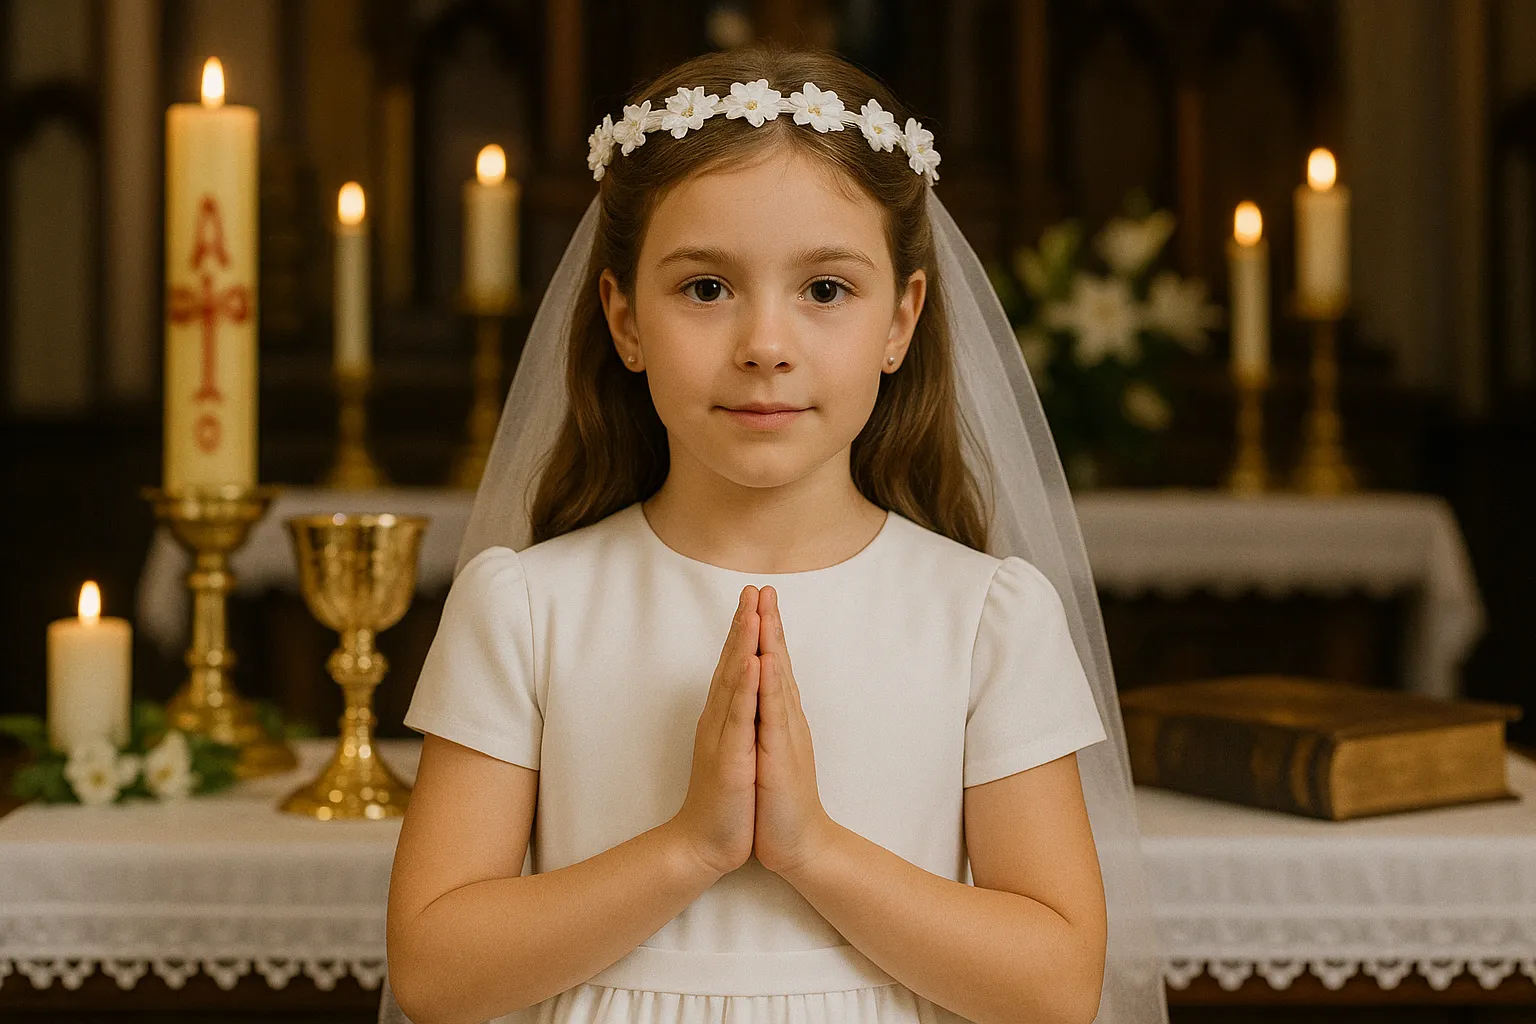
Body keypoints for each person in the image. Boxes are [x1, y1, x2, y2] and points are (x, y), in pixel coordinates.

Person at [382, 43, 1167, 1024]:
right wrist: (691, 845)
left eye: (825, 290)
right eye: (705, 288)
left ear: (902, 318)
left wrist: (809, 847)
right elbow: (433, 970)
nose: (764, 344)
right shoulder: (528, 605)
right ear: (622, 316)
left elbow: (1055, 983)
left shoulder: (985, 617)